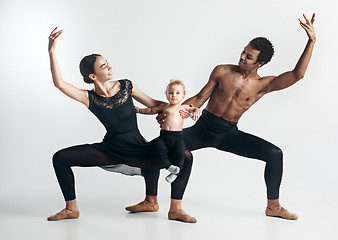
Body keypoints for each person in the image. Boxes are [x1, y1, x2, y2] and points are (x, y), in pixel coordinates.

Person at [128, 13, 316, 220]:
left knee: (274, 154)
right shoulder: (222, 71)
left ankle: (273, 206)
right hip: (203, 128)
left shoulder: (264, 85)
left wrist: (311, 41)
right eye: (244, 52)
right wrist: (170, 112)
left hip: (228, 135)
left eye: (249, 57)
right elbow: (199, 99)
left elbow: (297, 75)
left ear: (260, 63)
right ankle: (151, 201)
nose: (242, 57)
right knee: (156, 147)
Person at [47, 27, 196, 223]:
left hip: (138, 146)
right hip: (111, 148)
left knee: (185, 156)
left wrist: (184, 109)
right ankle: (70, 209)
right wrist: (52, 51)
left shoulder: (126, 86)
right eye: (103, 66)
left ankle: (172, 208)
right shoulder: (89, 97)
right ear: (93, 76)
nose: (109, 67)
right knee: (60, 158)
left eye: (107, 63)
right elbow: (60, 84)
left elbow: (154, 104)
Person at [135, 80, 200, 183]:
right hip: (164, 136)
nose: (174, 95)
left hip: (177, 137)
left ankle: (175, 172)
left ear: (183, 96)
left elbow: (195, 109)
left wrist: (196, 112)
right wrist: (140, 110)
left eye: (178, 93)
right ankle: (169, 166)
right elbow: (152, 110)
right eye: (170, 92)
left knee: (180, 153)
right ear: (166, 94)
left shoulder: (183, 107)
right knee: (158, 147)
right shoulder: (164, 106)